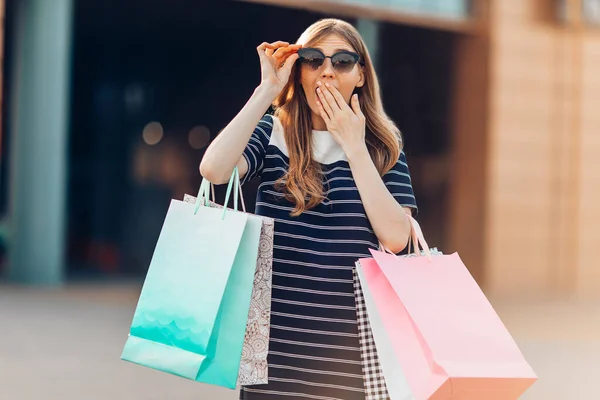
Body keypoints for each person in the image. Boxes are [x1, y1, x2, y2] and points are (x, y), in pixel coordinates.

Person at [200, 18, 417, 400]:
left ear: (361, 75)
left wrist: (353, 145)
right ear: (298, 71)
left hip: (351, 364)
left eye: (342, 61)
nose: (327, 72)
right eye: (313, 60)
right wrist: (267, 89)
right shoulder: (272, 134)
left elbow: (397, 238)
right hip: (273, 360)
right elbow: (214, 169)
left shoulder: (382, 145)